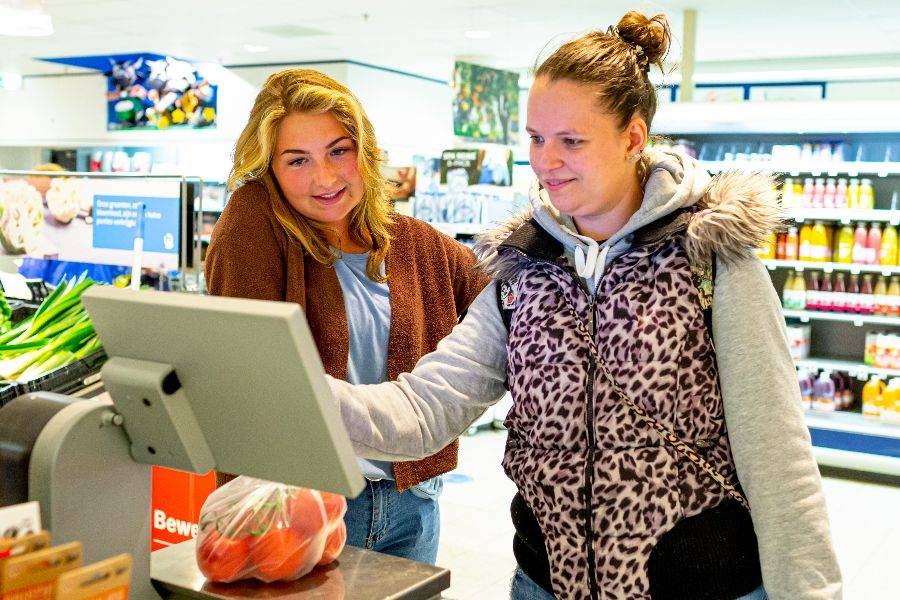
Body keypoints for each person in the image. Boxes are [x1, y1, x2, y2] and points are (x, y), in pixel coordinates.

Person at [326, 11, 843, 600]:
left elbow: (777, 455)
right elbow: (427, 407)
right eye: (536, 138)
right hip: (545, 586)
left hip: (698, 585)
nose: (546, 161)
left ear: (632, 137)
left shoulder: (711, 257)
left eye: (571, 141)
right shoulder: (522, 268)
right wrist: (292, 390)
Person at [205, 68, 488, 565]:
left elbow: (510, 301)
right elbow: (241, 376)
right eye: (297, 160)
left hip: (413, 501)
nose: (326, 177)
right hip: (306, 505)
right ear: (268, 171)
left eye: (340, 149)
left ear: (366, 148)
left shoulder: (414, 243)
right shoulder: (257, 225)